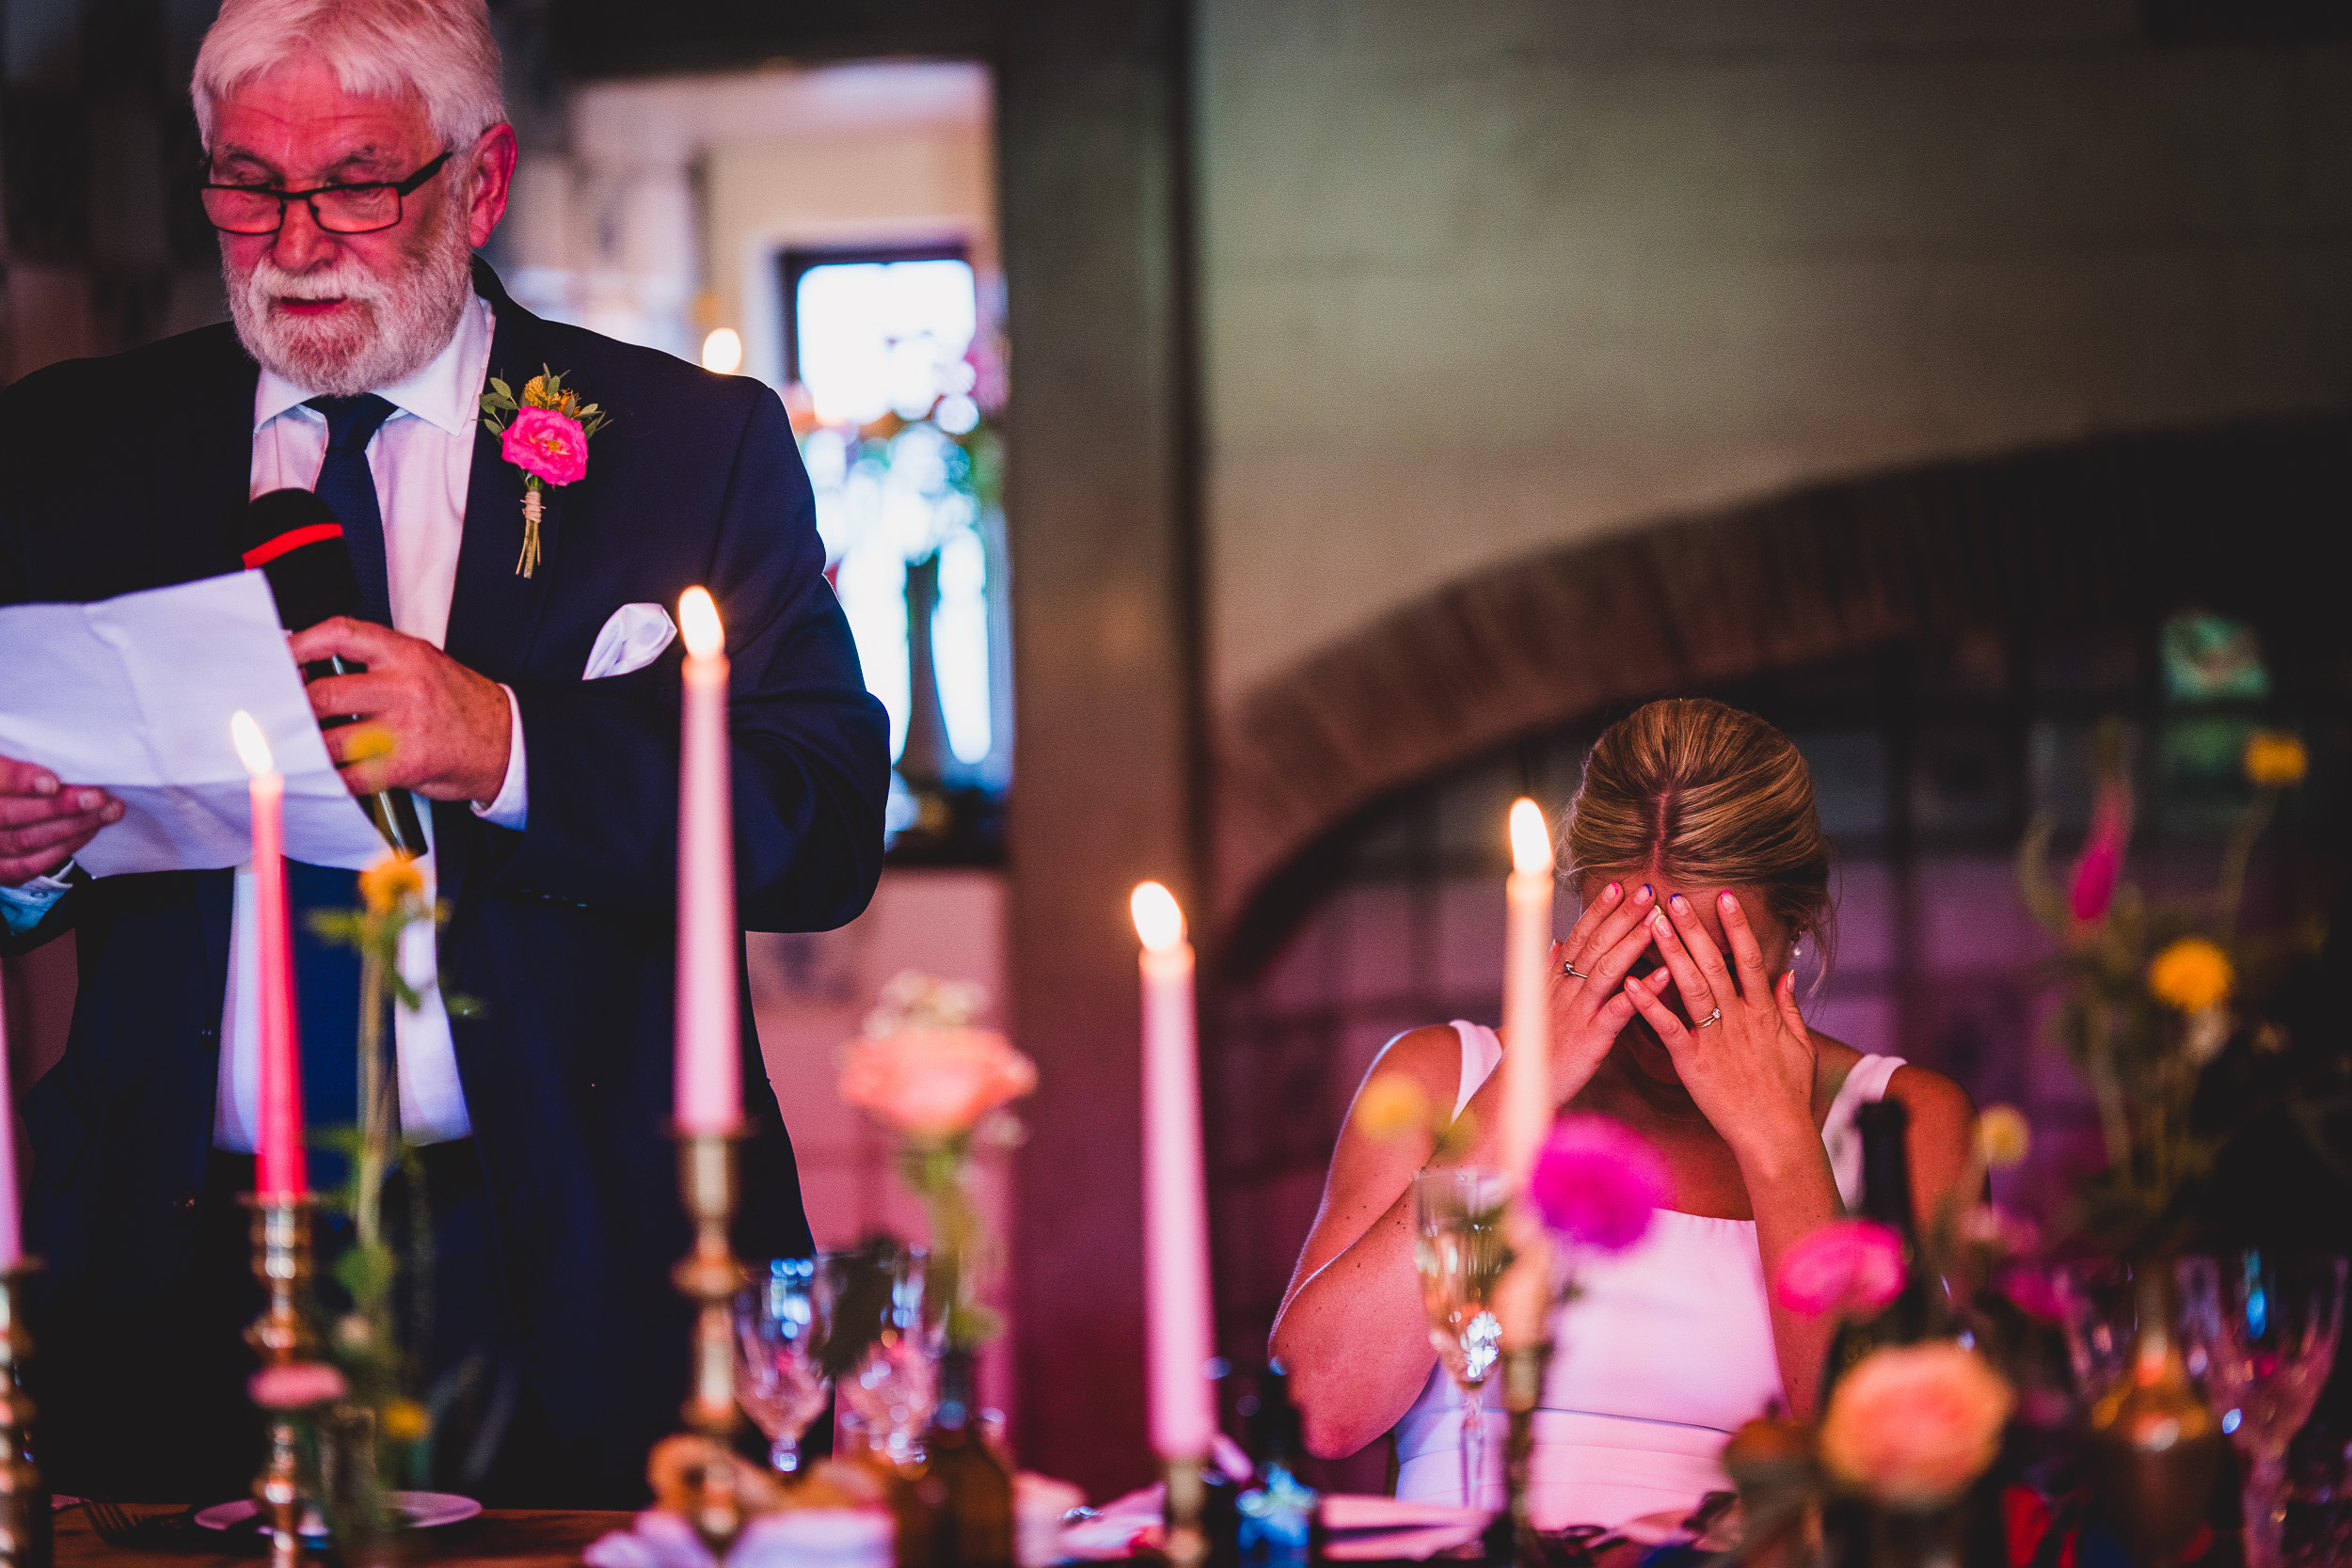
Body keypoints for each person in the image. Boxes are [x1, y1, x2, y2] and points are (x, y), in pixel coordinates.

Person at [0, 0, 889, 1504]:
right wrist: (19, 862)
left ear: (479, 182)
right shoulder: (67, 446)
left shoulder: (684, 445)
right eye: (244, 181)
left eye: (356, 181)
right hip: (174, 1262)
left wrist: (510, 741)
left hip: (569, 1258)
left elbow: (821, 822)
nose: (291, 238)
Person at [1269, 699, 1976, 1530]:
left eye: (1709, 961)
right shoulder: (1445, 1079)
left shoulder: (1902, 1119)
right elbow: (1322, 1410)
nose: (1663, 999)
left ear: (1795, 931)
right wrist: (1520, 1096)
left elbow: (1893, 1474)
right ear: (1579, 915)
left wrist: (1779, 1140)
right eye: (1638, 952)